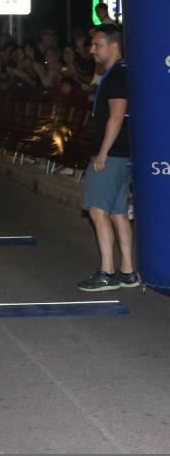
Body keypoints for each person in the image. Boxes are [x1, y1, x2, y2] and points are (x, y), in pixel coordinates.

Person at [77, 24, 139, 292]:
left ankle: (107, 272)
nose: (92, 49)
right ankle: (128, 271)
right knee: (117, 213)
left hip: (111, 154)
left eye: (97, 45)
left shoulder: (116, 76)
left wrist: (102, 152)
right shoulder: (117, 73)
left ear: (113, 45)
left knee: (97, 211)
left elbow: (117, 114)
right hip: (121, 153)